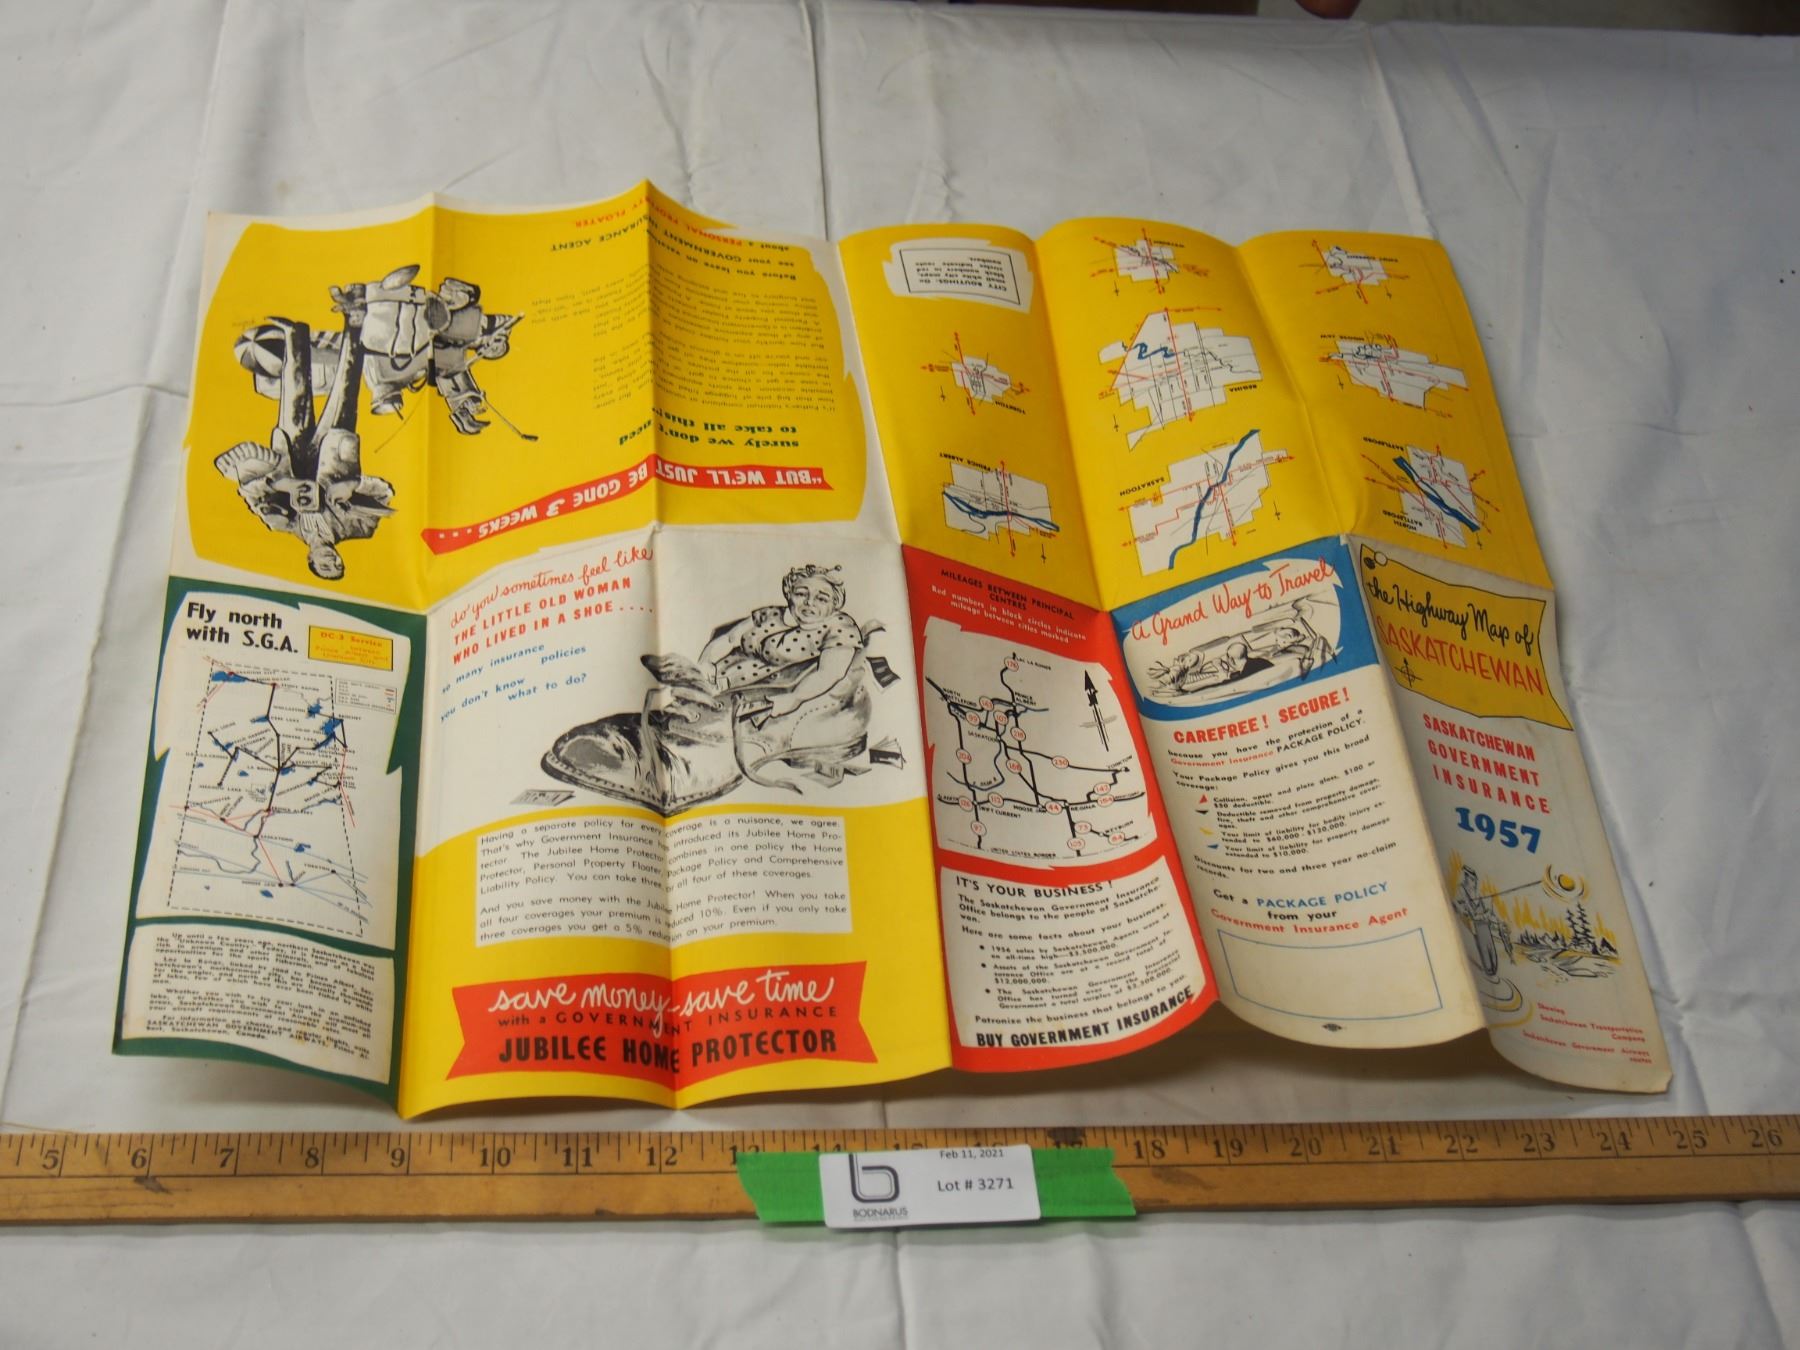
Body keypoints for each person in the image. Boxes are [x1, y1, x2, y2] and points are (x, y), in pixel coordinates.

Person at [543, 565, 899, 813]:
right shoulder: (770, 617)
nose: (809, 603)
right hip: (724, 685)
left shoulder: (839, 630)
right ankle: (694, 709)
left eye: (821, 598)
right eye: (801, 594)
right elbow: (728, 640)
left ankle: (738, 733)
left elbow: (827, 674)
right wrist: (706, 666)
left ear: (836, 603)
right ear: (789, 594)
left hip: (772, 701)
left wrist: (791, 699)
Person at [216, 316, 394, 580]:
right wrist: (350, 485)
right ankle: (354, 323)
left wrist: (281, 485)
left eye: (325, 566)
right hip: (335, 453)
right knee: (344, 388)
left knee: (294, 395)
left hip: (291, 455)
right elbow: (385, 493)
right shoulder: (359, 528)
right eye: (338, 565)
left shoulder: (280, 524)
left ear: (311, 560)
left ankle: (294, 335)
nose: (333, 561)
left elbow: (251, 493)